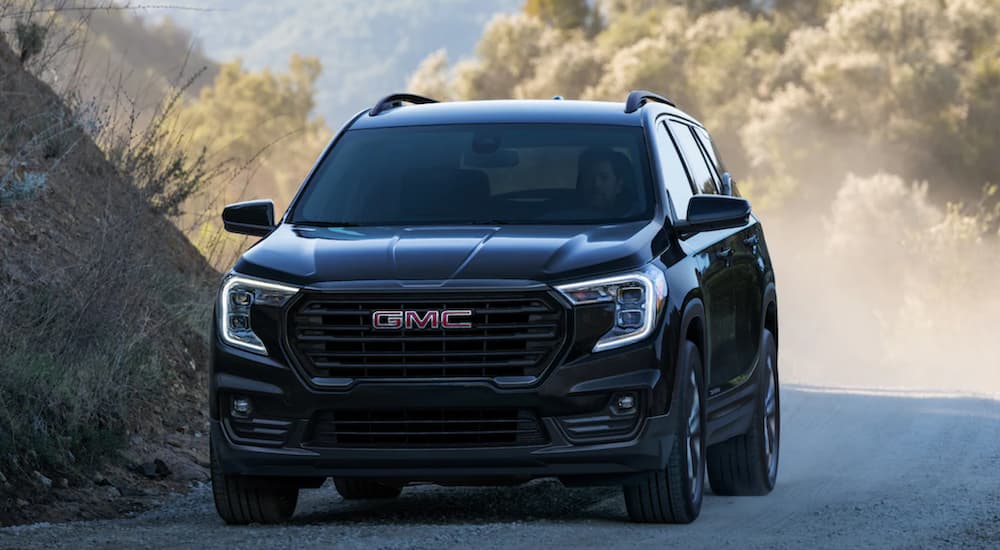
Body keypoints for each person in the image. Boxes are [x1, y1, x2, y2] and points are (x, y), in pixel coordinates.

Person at [577, 147, 633, 213]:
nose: (596, 184)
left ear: (618, 185)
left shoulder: (635, 218)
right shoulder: (566, 216)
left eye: (604, 177)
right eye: (589, 177)